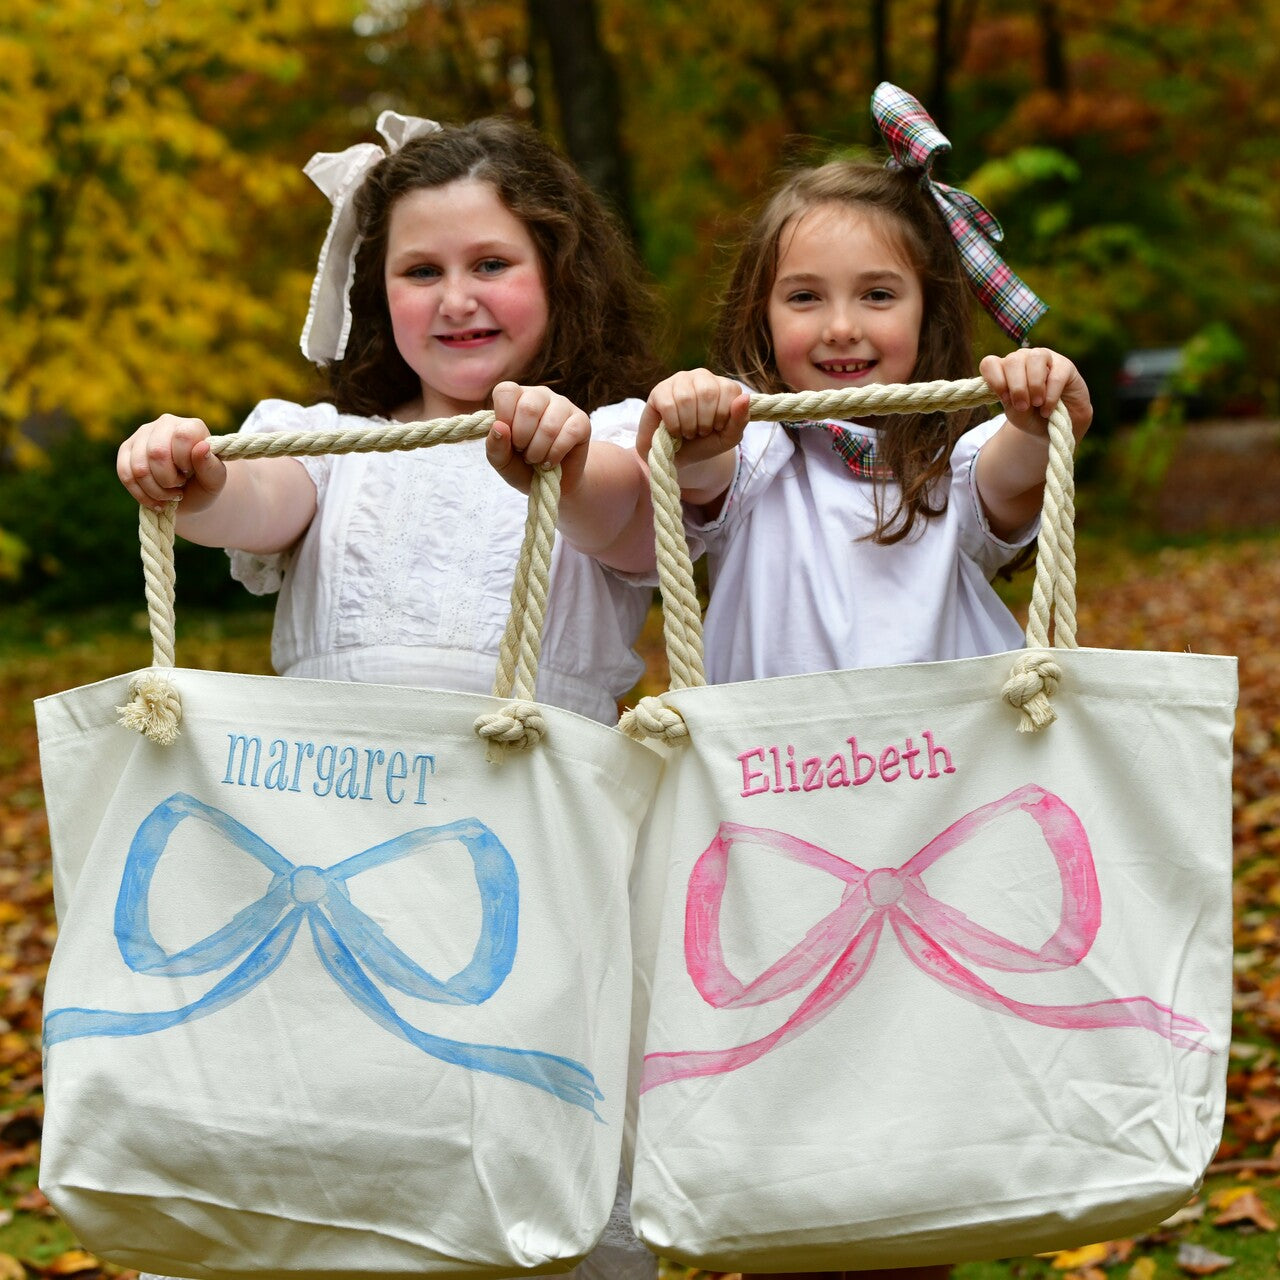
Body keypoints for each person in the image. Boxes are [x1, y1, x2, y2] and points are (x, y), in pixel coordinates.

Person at [116, 111, 665, 1280]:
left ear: (559, 276)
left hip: (521, 878)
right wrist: (194, 472)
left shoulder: (612, 440)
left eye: (490, 265)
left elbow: (619, 515)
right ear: (379, 293)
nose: (456, 297)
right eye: (421, 271)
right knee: (332, 1146)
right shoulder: (330, 447)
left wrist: (558, 454)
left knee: (518, 1163)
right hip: (329, 860)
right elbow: (253, 507)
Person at [635, 83, 1094, 1280]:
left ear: (924, 313)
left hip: (932, 838)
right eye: (805, 296)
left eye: (875, 294)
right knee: (798, 1130)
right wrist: (689, 422)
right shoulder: (759, 461)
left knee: (912, 1135)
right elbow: (690, 480)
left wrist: (1040, 399)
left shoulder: (942, 470)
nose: (840, 325)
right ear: (760, 315)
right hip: (783, 841)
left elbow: (1019, 474)